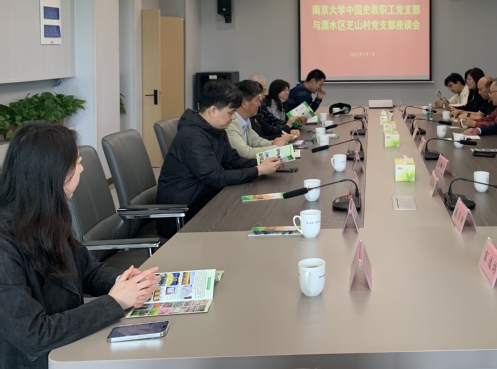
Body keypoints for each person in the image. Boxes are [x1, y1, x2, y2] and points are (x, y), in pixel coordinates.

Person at [0, 123, 160, 368]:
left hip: (69, 347)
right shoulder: (5, 244)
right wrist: (115, 302)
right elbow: (34, 335)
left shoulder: (44, 214)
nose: (82, 168)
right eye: (77, 162)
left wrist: (125, 282)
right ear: (55, 173)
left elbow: (86, 269)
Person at [157, 80, 282, 235]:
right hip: (185, 214)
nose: (234, 117)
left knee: (255, 214)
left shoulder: (216, 129)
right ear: (213, 111)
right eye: (231, 112)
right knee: (249, 221)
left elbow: (233, 161)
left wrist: (263, 163)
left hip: (207, 200)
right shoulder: (192, 136)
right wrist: (258, 170)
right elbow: (215, 177)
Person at [226, 80, 292, 160]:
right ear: (244, 104)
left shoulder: (246, 120)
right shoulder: (230, 123)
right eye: (257, 100)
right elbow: (245, 153)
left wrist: (272, 143)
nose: (260, 104)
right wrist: (275, 147)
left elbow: (256, 141)